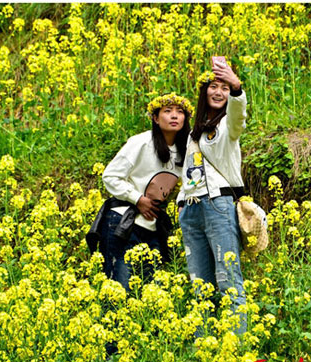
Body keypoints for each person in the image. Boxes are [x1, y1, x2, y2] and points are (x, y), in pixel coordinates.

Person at [86, 93, 193, 291]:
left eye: (180, 112)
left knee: (152, 292)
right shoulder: (141, 142)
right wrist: (137, 199)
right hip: (122, 225)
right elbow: (110, 176)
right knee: (120, 289)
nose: (174, 116)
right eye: (167, 111)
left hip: (152, 229)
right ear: (155, 118)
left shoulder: (186, 150)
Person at [177, 59, 248, 335]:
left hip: (218, 203)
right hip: (190, 209)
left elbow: (239, 116)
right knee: (200, 286)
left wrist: (237, 86)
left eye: (224, 88)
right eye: (213, 87)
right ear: (204, 92)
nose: (219, 92)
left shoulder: (228, 127)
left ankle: (236, 352)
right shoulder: (194, 133)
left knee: (228, 281)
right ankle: (205, 357)